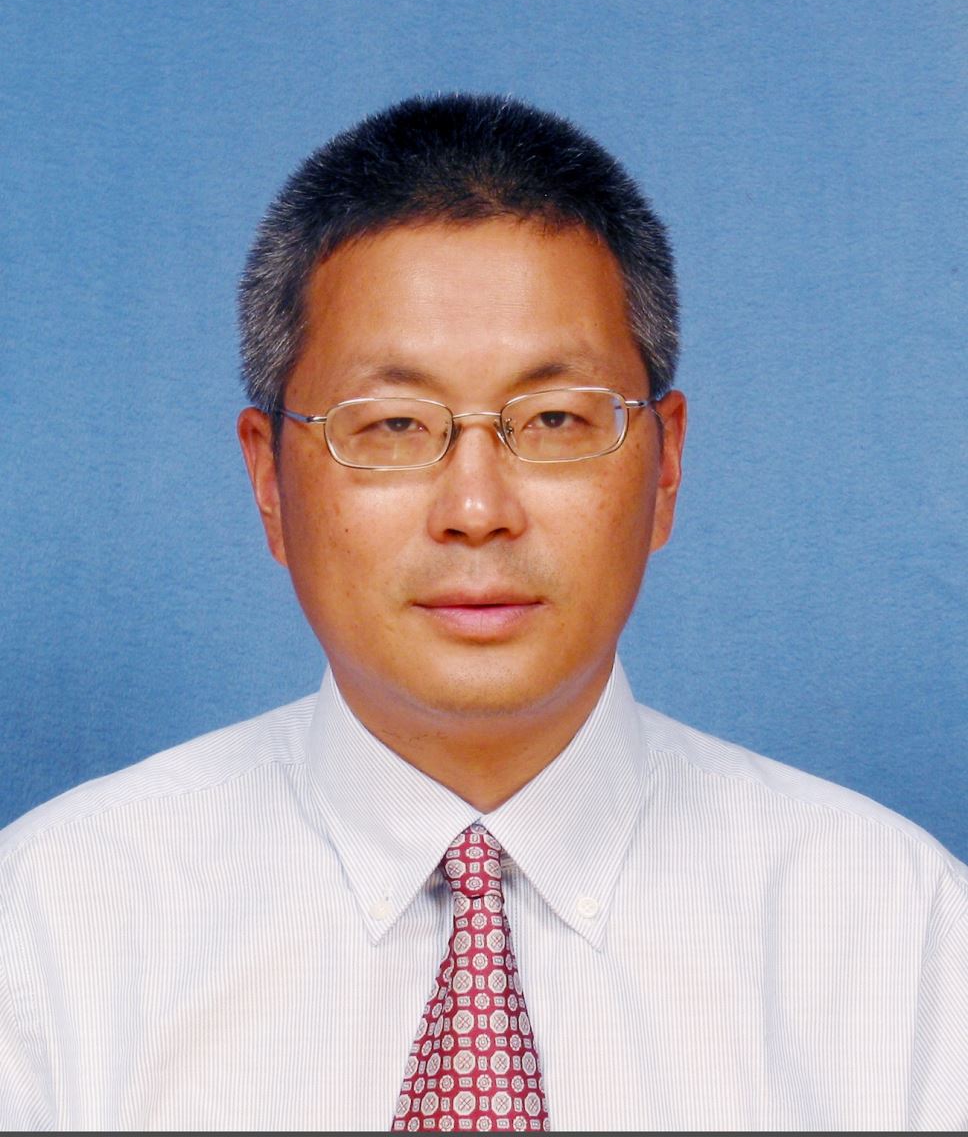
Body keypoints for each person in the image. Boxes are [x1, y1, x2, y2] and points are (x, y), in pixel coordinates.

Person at [1, 93, 965, 1133]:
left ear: (666, 466)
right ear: (269, 482)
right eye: (391, 424)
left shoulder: (902, 938)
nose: (475, 510)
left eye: (553, 419)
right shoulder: (51, 929)